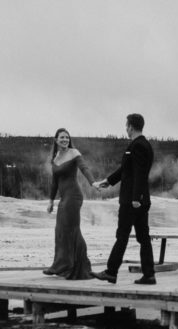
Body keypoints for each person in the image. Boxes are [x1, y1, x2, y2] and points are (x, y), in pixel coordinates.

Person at [92, 113, 156, 285]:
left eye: (126, 125)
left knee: (122, 236)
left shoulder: (139, 146)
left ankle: (111, 272)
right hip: (139, 200)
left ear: (130, 126)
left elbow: (140, 173)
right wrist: (108, 181)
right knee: (143, 237)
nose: (125, 128)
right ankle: (149, 275)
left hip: (132, 201)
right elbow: (125, 170)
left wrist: (136, 198)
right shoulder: (139, 145)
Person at [43, 128, 96, 279]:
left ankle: (77, 266)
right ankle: (63, 265)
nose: (65, 139)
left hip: (74, 196)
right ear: (56, 140)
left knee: (71, 230)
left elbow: (84, 168)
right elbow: (55, 182)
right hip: (64, 197)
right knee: (60, 230)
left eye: (67, 137)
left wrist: (93, 183)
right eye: (62, 137)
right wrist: (51, 201)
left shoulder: (74, 153)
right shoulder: (55, 158)